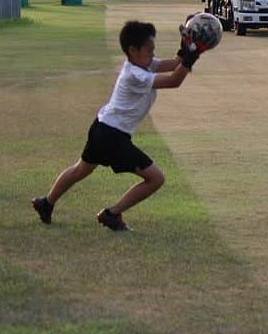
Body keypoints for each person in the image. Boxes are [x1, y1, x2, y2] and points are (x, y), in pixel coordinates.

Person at [31, 19, 202, 231]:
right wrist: (192, 56)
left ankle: (46, 203)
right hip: (113, 136)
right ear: (133, 50)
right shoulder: (134, 74)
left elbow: (174, 64)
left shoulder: (142, 63)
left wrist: (185, 48)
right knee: (155, 179)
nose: (152, 53)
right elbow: (173, 80)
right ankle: (111, 214)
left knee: (80, 170)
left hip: (102, 127)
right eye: (149, 49)